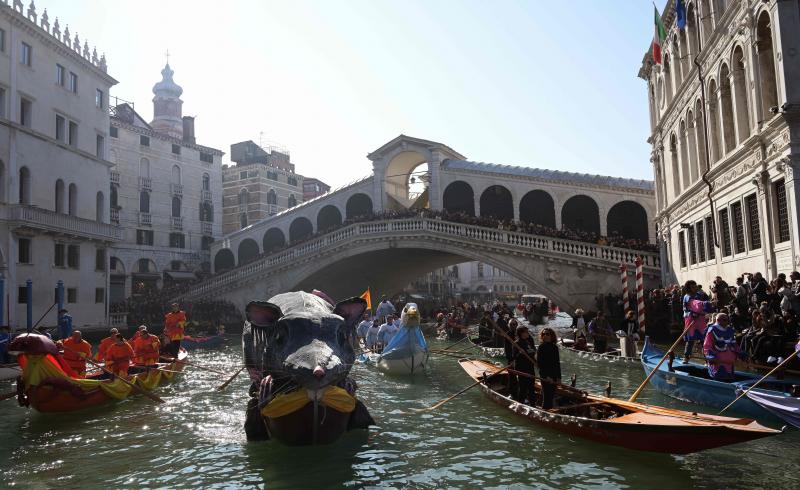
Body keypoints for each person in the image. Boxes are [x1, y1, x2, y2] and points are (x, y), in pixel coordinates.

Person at [703, 313, 742, 381]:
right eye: (724, 320)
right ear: (718, 320)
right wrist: (711, 356)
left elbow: (734, 344)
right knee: (720, 377)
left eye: (727, 320)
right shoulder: (712, 330)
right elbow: (707, 345)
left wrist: (740, 353)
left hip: (729, 362)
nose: (726, 322)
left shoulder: (730, 330)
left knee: (729, 377)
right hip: (718, 362)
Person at [682, 280, 714, 363]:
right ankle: (686, 357)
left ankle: (707, 360)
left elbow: (707, 304)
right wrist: (703, 305)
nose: (695, 288)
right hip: (691, 320)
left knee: (704, 340)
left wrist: (710, 304)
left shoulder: (700, 294)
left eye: (695, 286)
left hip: (701, 320)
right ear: (689, 288)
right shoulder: (687, 297)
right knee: (690, 340)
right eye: (692, 287)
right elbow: (692, 305)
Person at [537, 328, 561, 409]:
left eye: (547, 334)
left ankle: (550, 410)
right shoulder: (541, 347)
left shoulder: (555, 347)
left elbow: (557, 363)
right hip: (545, 376)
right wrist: (546, 377)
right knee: (547, 396)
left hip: (554, 375)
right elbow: (540, 365)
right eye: (544, 334)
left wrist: (559, 377)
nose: (545, 336)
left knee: (551, 396)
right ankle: (545, 412)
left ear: (551, 336)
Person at [513, 326, 537, 405]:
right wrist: (520, 353)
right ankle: (520, 404)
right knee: (523, 388)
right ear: (521, 333)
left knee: (531, 388)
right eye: (526, 332)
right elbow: (514, 357)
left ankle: (533, 405)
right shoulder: (517, 343)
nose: (528, 333)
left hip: (530, 367)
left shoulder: (529, 341)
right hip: (521, 369)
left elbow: (533, 351)